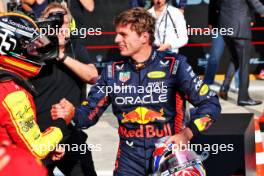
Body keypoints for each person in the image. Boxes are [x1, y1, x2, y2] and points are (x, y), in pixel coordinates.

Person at [51, 7, 221, 175]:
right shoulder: (112, 71)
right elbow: (89, 114)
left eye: (123, 34)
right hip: (129, 161)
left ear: (144, 37)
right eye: (117, 33)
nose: (117, 39)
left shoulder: (174, 66)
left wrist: (186, 134)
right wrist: (71, 114)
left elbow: (210, 103)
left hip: (171, 158)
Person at [30, 2, 98, 176]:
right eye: (54, 24)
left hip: (70, 135)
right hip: (39, 137)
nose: (60, 28)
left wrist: (60, 56)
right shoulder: (32, 53)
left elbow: (93, 76)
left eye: (64, 24)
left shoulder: (75, 48)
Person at [0, 12, 72, 161]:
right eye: (30, 46)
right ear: (11, 46)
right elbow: (37, 149)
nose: (37, 52)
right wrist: (62, 121)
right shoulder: (12, 93)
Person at [217, 0, 264, 106]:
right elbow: (255, 3)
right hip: (240, 27)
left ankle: (224, 87)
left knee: (235, 58)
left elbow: (217, 4)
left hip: (225, 27)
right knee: (244, 63)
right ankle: (243, 97)